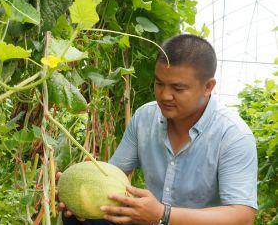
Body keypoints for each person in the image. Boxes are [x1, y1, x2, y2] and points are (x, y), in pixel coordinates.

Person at [60, 34, 257, 225]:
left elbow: (242, 216)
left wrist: (163, 215)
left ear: (208, 87)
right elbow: (113, 174)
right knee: (77, 218)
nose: (164, 95)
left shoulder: (233, 135)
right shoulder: (145, 117)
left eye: (178, 89)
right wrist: (78, 189)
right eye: (159, 83)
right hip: (149, 221)